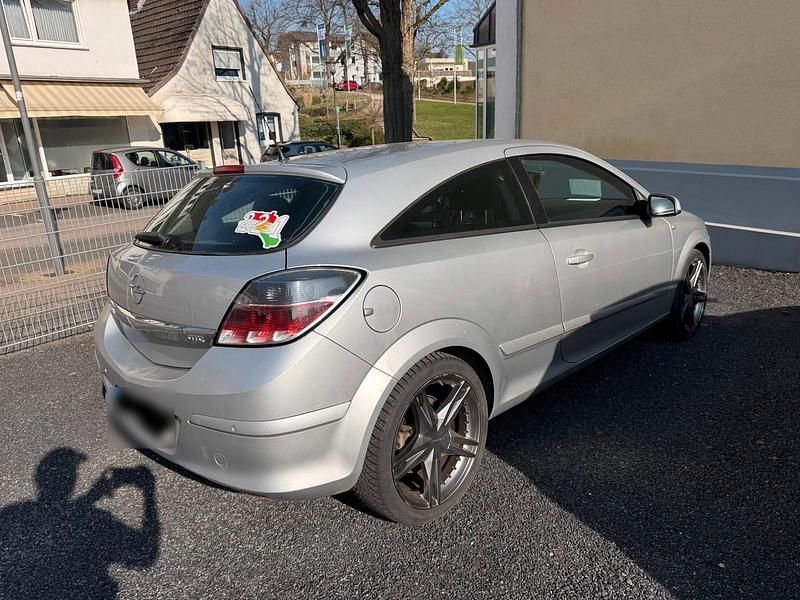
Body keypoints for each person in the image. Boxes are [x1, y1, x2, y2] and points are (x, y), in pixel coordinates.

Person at [0, 448, 160, 599]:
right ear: (72, 481)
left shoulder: (12, 515)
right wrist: (148, 492)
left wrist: (90, 498)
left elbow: (53, 524)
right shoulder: (94, 523)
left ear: (39, 479)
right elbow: (145, 553)